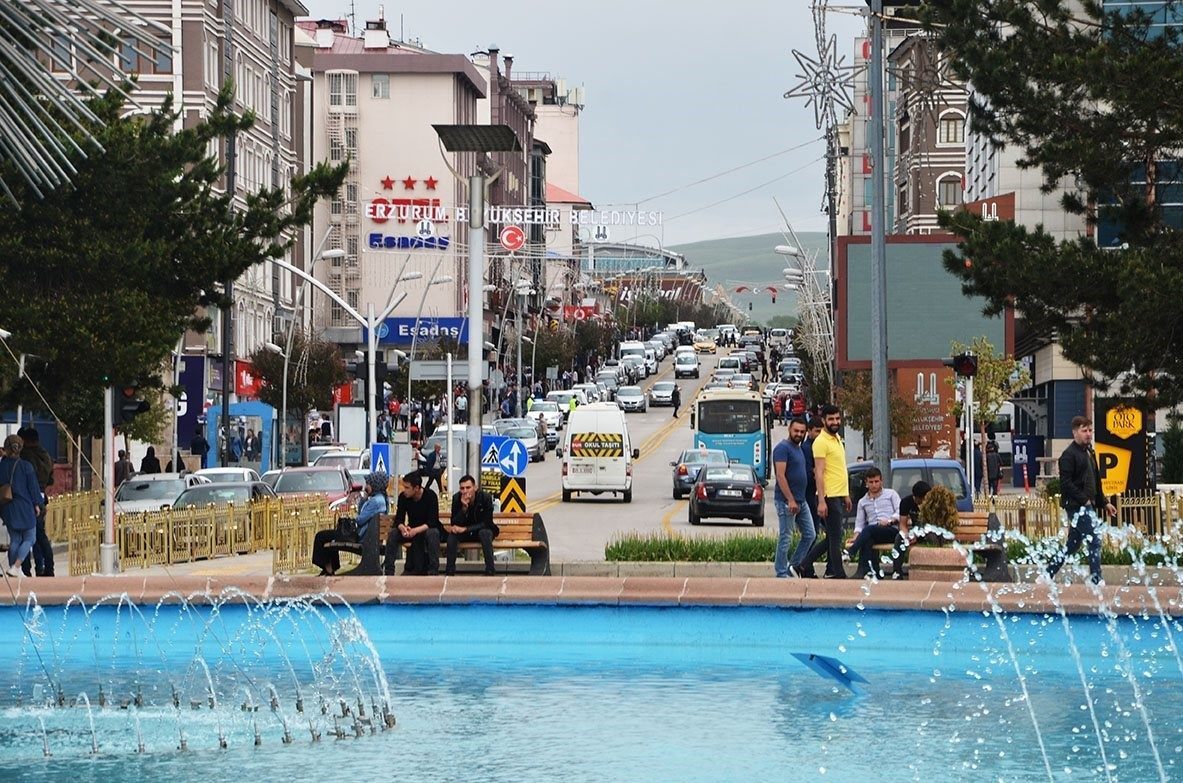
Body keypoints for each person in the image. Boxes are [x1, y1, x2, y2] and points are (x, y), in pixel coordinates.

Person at [1046, 416, 1116, 586]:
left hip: (1087, 505)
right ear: (1075, 432)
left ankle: (1047, 574)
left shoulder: (1089, 452)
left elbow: (1096, 481)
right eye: (1084, 431)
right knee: (1094, 538)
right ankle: (1096, 579)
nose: (1088, 434)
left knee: (1073, 545)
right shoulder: (1068, 455)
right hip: (1078, 506)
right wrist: (1084, 500)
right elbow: (1066, 484)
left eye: (1090, 430)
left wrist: (1104, 502)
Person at [798, 405, 852, 579]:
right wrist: (821, 500)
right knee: (836, 539)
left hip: (838, 494)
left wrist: (846, 494)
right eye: (831, 419)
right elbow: (819, 473)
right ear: (823, 421)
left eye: (837, 418)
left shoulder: (836, 438)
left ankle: (804, 565)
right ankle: (839, 575)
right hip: (828, 496)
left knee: (833, 537)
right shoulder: (821, 442)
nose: (835, 422)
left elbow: (838, 469)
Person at [311, 470, 390, 576]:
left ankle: (329, 569)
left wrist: (363, 500)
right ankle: (329, 568)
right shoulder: (382, 499)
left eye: (368, 484)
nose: (366, 486)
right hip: (368, 537)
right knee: (331, 536)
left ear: (375, 485)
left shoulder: (375, 501)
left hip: (361, 537)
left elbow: (360, 520)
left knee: (321, 536)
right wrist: (364, 499)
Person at [773, 418, 815, 578]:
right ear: (789, 429)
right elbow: (780, 476)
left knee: (810, 534)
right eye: (796, 431)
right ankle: (781, 572)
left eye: (802, 432)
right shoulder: (782, 448)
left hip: (801, 500)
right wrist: (790, 499)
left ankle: (793, 566)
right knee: (786, 537)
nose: (799, 434)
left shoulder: (798, 449)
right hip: (786, 501)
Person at [843, 467, 902, 579]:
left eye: (876, 481)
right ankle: (873, 572)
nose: (874, 485)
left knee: (869, 529)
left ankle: (851, 552)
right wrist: (856, 537)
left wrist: (889, 520)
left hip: (891, 530)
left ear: (881, 481)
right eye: (871, 482)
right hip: (873, 532)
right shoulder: (862, 502)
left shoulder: (891, 494)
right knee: (868, 538)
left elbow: (900, 512)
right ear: (866, 483)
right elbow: (859, 523)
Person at [383, 472, 442, 575]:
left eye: (407, 487)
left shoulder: (430, 496)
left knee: (433, 533)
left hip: (426, 530)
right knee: (393, 534)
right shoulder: (403, 497)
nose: (404, 490)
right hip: (411, 529)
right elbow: (399, 519)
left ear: (416, 488)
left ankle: (433, 571)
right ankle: (389, 571)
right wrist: (403, 528)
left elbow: (432, 521)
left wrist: (415, 530)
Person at [1, 434, 41, 578]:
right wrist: (37, 504)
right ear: (20, 448)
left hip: (7, 506)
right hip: (24, 506)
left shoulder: (2, 465)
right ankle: (16, 567)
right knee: (30, 538)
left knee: (15, 539)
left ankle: (14, 570)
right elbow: (33, 488)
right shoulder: (26, 466)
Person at [444, 474, 499, 576]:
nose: (465, 491)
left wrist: (465, 529)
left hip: (480, 530)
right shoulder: (457, 498)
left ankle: (490, 570)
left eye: (468, 487)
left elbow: (487, 522)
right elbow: (454, 523)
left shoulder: (485, 498)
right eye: (462, 488)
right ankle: (449, 571)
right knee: (452, 536)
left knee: (485, 533)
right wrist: (464, 509)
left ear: (475, 488)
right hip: (464, 533)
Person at [18, 427, 54, 577]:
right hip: (41, 496)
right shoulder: (45, 455)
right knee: (40, 535)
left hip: (28, 498)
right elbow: (51, 479)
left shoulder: (25, 455)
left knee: (24, 535)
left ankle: (25, 569)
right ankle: (47, 568)